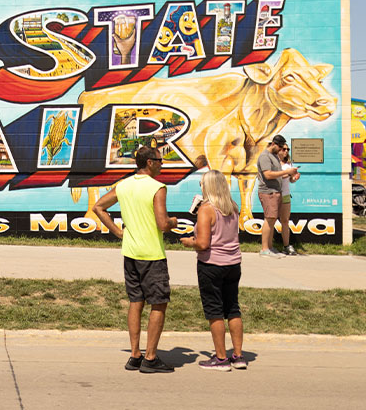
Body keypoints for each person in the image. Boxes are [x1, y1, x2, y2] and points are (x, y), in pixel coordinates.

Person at [94, 145, 179, 374]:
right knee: (159, 303)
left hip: (130, 252)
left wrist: (117, 232)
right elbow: (162, 224)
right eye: (160, 161)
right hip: (152, 254)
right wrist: (173, 222)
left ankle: (135, 355)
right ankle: (150, 358)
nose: (162, 164)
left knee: (135, 301)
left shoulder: (124, 184)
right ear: (149, 162)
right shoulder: (157, 187)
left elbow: (98, 206)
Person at [180, 170, 248, 371]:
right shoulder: (233, 206)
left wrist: (188, 241)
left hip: (211, 265)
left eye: (202, 183)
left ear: (208, 186)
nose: (200, 187)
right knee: (233, 308)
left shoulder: (206, 209)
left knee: (215, 311)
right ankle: (238, 355)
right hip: (233, 263)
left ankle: (220, 359)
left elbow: (202, 243)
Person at [255, 135, 298, 257]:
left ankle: (269, 247)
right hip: (268, 192)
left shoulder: (273, 156)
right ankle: (264, 249)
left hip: (275, 192)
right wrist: (286, 172)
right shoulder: (264, 156)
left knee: (272, 220)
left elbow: (278, 175)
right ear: (273, 144)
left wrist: (290, 174)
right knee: (269, 219)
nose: (281, 150)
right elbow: (268, 175)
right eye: (280, 147)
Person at [278, 146, 300, 255]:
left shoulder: (288, 164)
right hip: (274, 195)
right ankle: (267, 246)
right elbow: (275, 177)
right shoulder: (273, 163)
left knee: (285, 220)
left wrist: (294, 177)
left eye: (288, 149)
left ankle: (286, 245)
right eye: (283, 149)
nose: (286, 151)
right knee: (270, 220)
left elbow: (290, 180)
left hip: (285, 195)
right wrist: (288, 173)